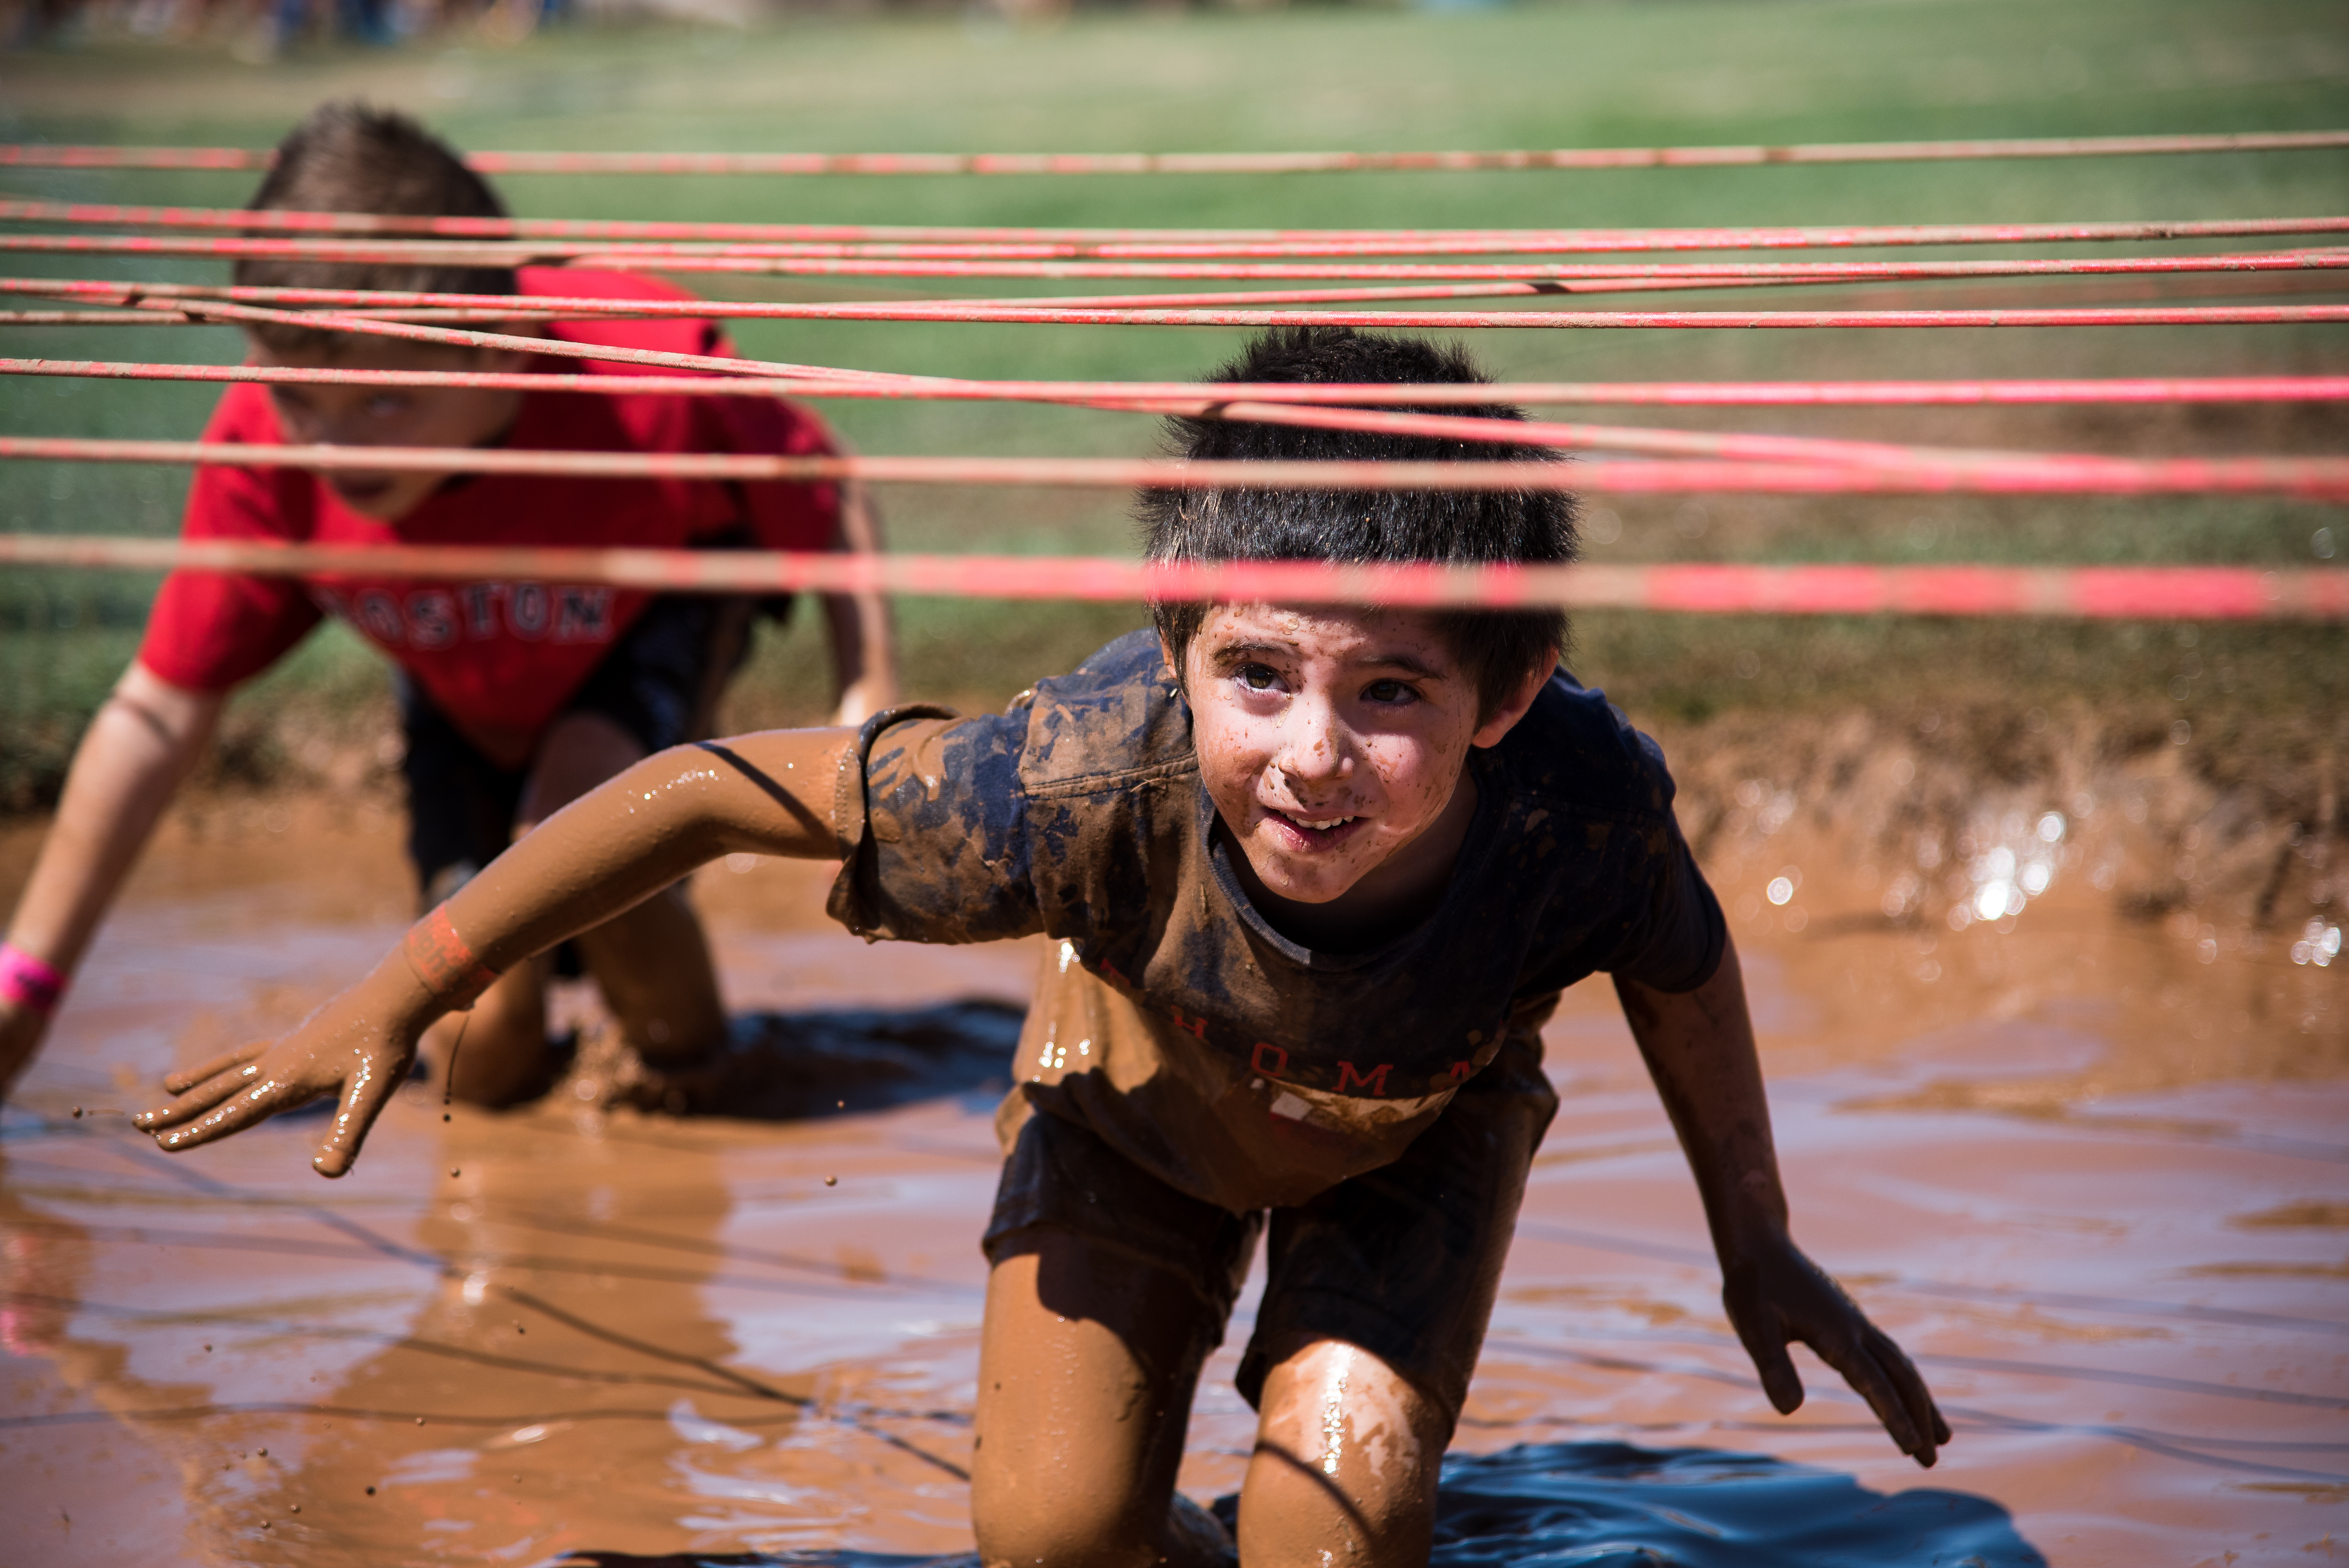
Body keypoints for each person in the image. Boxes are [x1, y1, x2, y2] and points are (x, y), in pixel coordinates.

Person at [134, 327, 1948, 1567]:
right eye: (1257, 673)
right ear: (1175, 644)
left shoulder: (1579, 809)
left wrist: (1754, 1233)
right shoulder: (1073, 780)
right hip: (1135, 1101)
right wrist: (410, 981)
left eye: (1391, 691)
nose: (1312, 754)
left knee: (1337, 1542)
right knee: (1054, 1541)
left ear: (1512, 690)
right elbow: (700, 794)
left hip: (1419, 1130)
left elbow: (1682, 960)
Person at [0, 102, 896, 1110]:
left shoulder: (641, 365)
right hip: (460, 683)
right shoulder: (263, 447)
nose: (333, 448)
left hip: (644, 621)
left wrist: (868, 687)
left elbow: (823, 487)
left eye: (385, 401)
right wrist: (25, 986)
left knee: (590, 831)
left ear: (499, 349)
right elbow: (160, 711)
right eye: (301, 400)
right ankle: (516, 1135)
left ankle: (701, 1090)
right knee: (478, 1035)